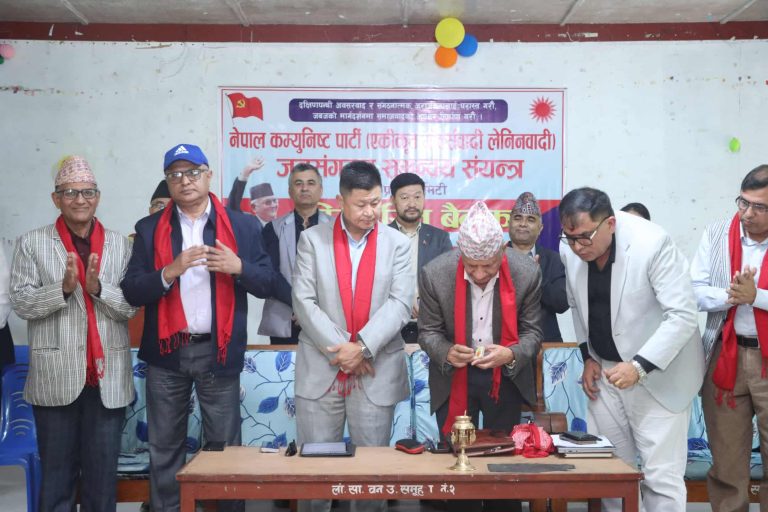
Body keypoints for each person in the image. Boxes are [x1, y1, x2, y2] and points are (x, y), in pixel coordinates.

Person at [120, 143, 274, 512]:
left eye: (192, 172)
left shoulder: (242, 225)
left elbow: (268, 283)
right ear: (168, 182)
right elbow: (131, 290)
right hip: (166, 353)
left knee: (224, 447)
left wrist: (239, 268)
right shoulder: (149, 228)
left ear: (208, 175)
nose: (184, 181)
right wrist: (169, 271)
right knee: (165, 446)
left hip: (217, 352)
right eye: (175, 175)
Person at [559, 187, 705, 512]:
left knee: (660, 478)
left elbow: (682, 316)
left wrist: (638, 366)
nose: (577, 247)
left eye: (584, 237)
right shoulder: (570, 248)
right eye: (569, 238)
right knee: (612, 473)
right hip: (606, 376)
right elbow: (576, 306)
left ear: (610, 223)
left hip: (659, 377)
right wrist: (587, 356)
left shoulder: (652, 244)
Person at [10, 155, 136, 511]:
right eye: (70, 193)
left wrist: (97, 289)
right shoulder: (32, 243)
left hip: (106, 379)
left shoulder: (120, 245)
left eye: (87, 192)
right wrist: (62, 289)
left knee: (101, 482)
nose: (80, 200)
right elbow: (21, 304)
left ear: (98, 196)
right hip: (55, 379)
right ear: (56, 199)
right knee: (57, 480)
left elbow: (130, 306)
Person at [292, 161, 413, 512]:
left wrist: (360, 348)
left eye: (376, 202)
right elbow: (303, 302)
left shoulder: (397, 244)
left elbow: (401, 303)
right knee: (316, 472)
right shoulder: (312, 240)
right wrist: (343, 350)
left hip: (375, 372)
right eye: (361, 204)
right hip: (321, 370)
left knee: (371, 475)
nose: (370, 211)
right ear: (340, 201)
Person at [418, 201, 542, 512]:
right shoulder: (436, 274)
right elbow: (427, 332)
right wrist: (446, 351)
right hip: (454, 376)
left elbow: (533, 333)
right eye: (471, 265)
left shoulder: (526, 272)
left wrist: (510, 354)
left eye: (487, 265)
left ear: (502, 250)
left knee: (503, 469)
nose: (479, 273)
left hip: (506, 376)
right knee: (458, 473)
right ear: (460, 252)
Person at [691, 164, 768, 511]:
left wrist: (757, 296)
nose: (747, 213)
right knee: (726, 462)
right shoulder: (717, 233)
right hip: (726, 356)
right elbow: (693, 290)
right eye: (743, 202)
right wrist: (731, 295)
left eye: (759, 207)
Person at [259, 163, 331, 344]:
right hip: (285, 317)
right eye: (298, 183)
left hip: (327, 319)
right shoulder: (273, 228)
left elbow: (341, 275)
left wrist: (311, 311)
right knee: (283, 371)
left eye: (311, 183)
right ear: (290, 191)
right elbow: (271, 276)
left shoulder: (336, 228)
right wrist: (301, 307)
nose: (305, 188)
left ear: (320, 190)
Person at [387, 172, 453, 344]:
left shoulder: (440, 239)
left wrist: (428, 305)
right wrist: (401, 302)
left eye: (417, 197)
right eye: (404, 198)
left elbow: (449, 283)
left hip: (431, 329)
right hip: (388, 329)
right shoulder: (379, 237)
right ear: (393, 200)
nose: (412, 204)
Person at [507, 192, 568, 342]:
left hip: (545, 344)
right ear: (509, 224)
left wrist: (536, 276)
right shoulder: (494, 258)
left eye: (530, 220)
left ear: (540, 228)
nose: (523, 223)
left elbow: (561, 304)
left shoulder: (554, 259)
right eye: (517, 218)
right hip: (504, 345)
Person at [228, 157, 279, 226]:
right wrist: (245, 174)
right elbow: (232, 210)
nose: (273, 205)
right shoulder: (247, 223)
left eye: (274, 201)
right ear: (254, 207)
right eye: (268, 202)